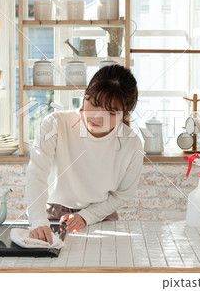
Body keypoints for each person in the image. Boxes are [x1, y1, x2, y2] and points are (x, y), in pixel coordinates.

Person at [25, 65, 143, 243]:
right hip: (50, 215)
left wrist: (87, 216)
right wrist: (38, 220)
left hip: (100, 216)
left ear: (125, 113)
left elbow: (123, 194)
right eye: (94, 104)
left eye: (111, 112)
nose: (97, 117)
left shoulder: (131, 144)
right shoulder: (55, 124)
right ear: (85, 95)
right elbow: (37, 174)